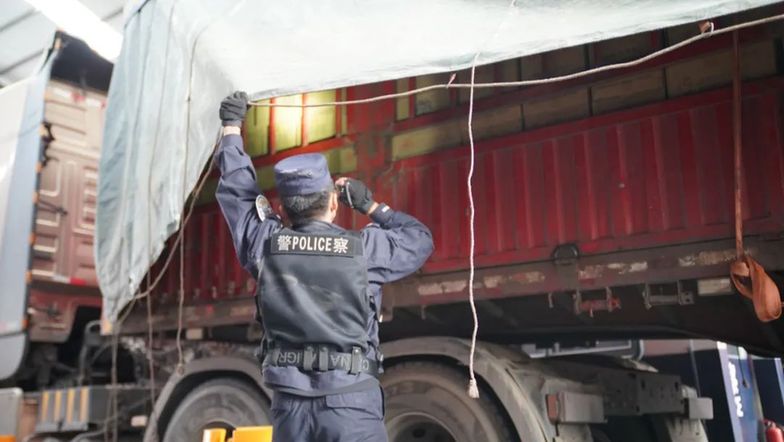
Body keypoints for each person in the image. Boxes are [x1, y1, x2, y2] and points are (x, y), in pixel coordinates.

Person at [214, 91, 434, 441]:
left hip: (290, 406)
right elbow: (420, 239)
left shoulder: (265, 246)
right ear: (334, 203)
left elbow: (238, 194)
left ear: (283, 211)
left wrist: (231, 128)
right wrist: (371, 205)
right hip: (352, 406)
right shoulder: (365, 250)